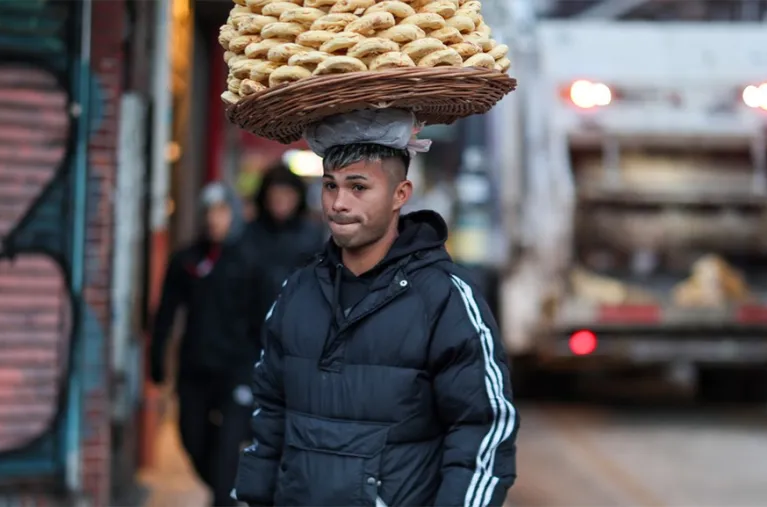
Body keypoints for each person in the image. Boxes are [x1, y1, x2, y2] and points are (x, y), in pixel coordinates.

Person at [234, 109, 518, 507]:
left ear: (400, 194)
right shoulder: (296, 292)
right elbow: (269, 418)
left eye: (358, 187)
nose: (338, 203)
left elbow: (483, 429)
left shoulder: (445, 299)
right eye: (330, 186)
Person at [150, 182, 258, 507]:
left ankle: (227, 495)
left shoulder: (249, 261)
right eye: (208, 212)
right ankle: (234, 492)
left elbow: (264, 320)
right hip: (194, 371)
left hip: (237, 374)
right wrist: (156, 360)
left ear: (234, 215)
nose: (214, 219)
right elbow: (166, 312)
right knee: (193, 440)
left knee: (227, 453)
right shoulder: (187, 260)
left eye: (222, 211)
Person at [243, 162, 326, 319]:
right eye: (276, 195)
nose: (281, 201)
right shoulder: (248, 234)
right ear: (265, 198)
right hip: (252, 323)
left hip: (299, 320)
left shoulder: (311, 235)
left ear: (298, 197)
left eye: (287, 195)